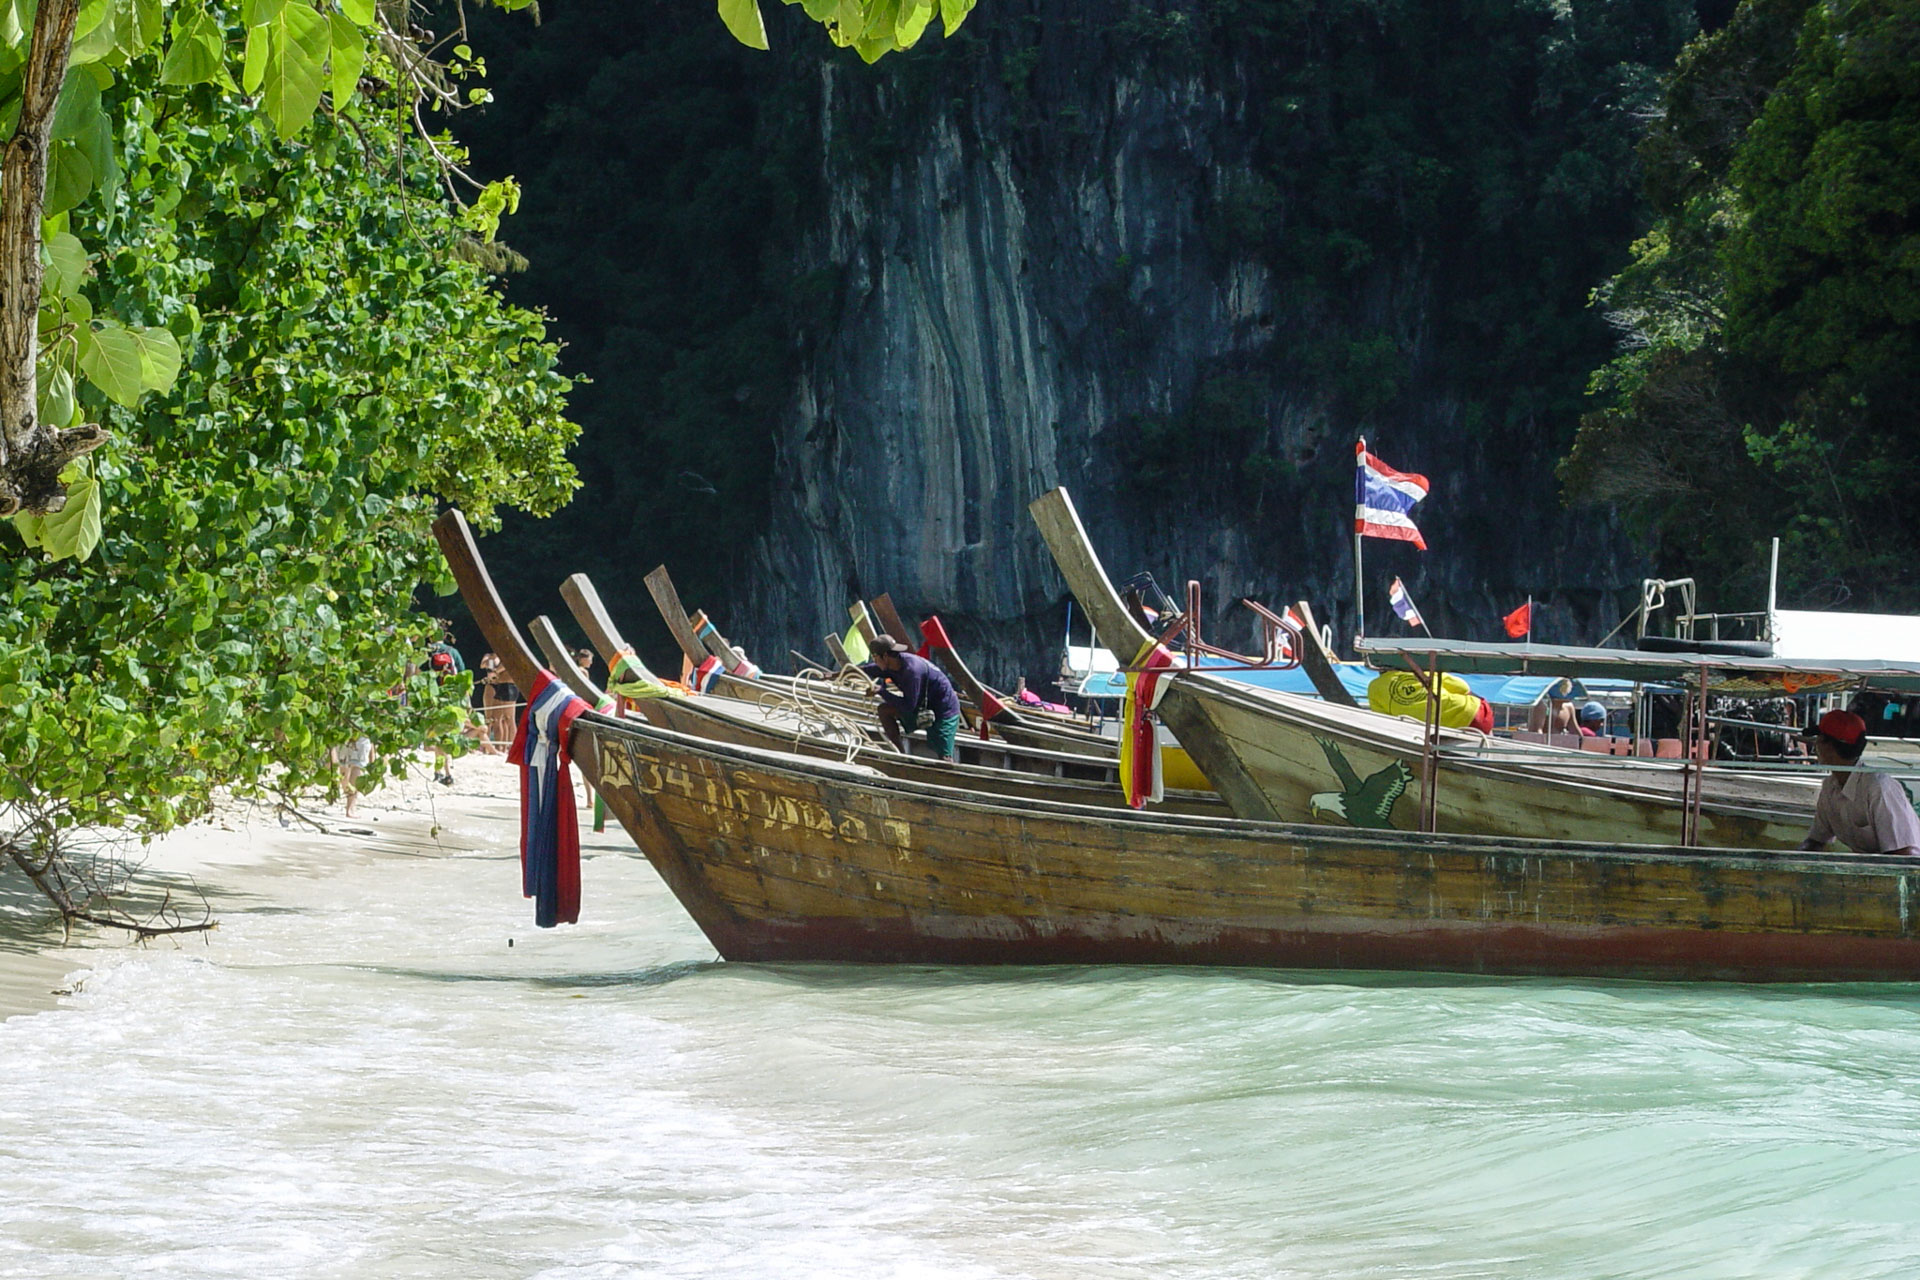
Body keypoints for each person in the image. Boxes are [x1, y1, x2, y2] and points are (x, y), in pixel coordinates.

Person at [1798, 710, 1920, 857]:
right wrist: (1793, 860)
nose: (1815, 744)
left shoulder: (1879, 788)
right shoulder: (1830, 786)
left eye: (1819, 739)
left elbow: (1906, 854)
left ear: (1829, 747)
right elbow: (1816, 840)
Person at [861, 634, 963, 761]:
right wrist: (833, 675)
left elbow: (908, 707)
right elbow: (865, 670)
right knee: (884, 710)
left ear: (885, 656)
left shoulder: (912, 672)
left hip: (944, 710)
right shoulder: (892, 664)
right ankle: (901, 756)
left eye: (874, 657)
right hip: (922, 705)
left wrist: (881, 691)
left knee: (944, 755)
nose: (874, 661)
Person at [479, 651, 518, 750]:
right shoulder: (490, 656)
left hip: (509, 686)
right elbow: (484, 666)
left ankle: (513, 745)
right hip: (500, 685)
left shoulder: (508, 656)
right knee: (496, 719)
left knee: (509, 718)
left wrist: (494, 671)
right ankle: (498, 746)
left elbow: (500, 669)